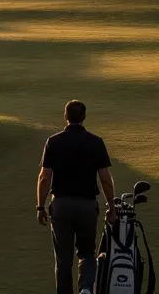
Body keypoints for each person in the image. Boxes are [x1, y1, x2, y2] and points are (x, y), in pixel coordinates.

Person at [37, 100, 117, 294]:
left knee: (63, 258)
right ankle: (86, 288)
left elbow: (44, 177)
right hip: (87, 206)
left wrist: (40, 206)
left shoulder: (53, 141)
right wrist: (112, 207)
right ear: (84, 117)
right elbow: (105, 179)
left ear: (65, 116)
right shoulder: (95, 142)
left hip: (61, 205)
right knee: (87, 253)